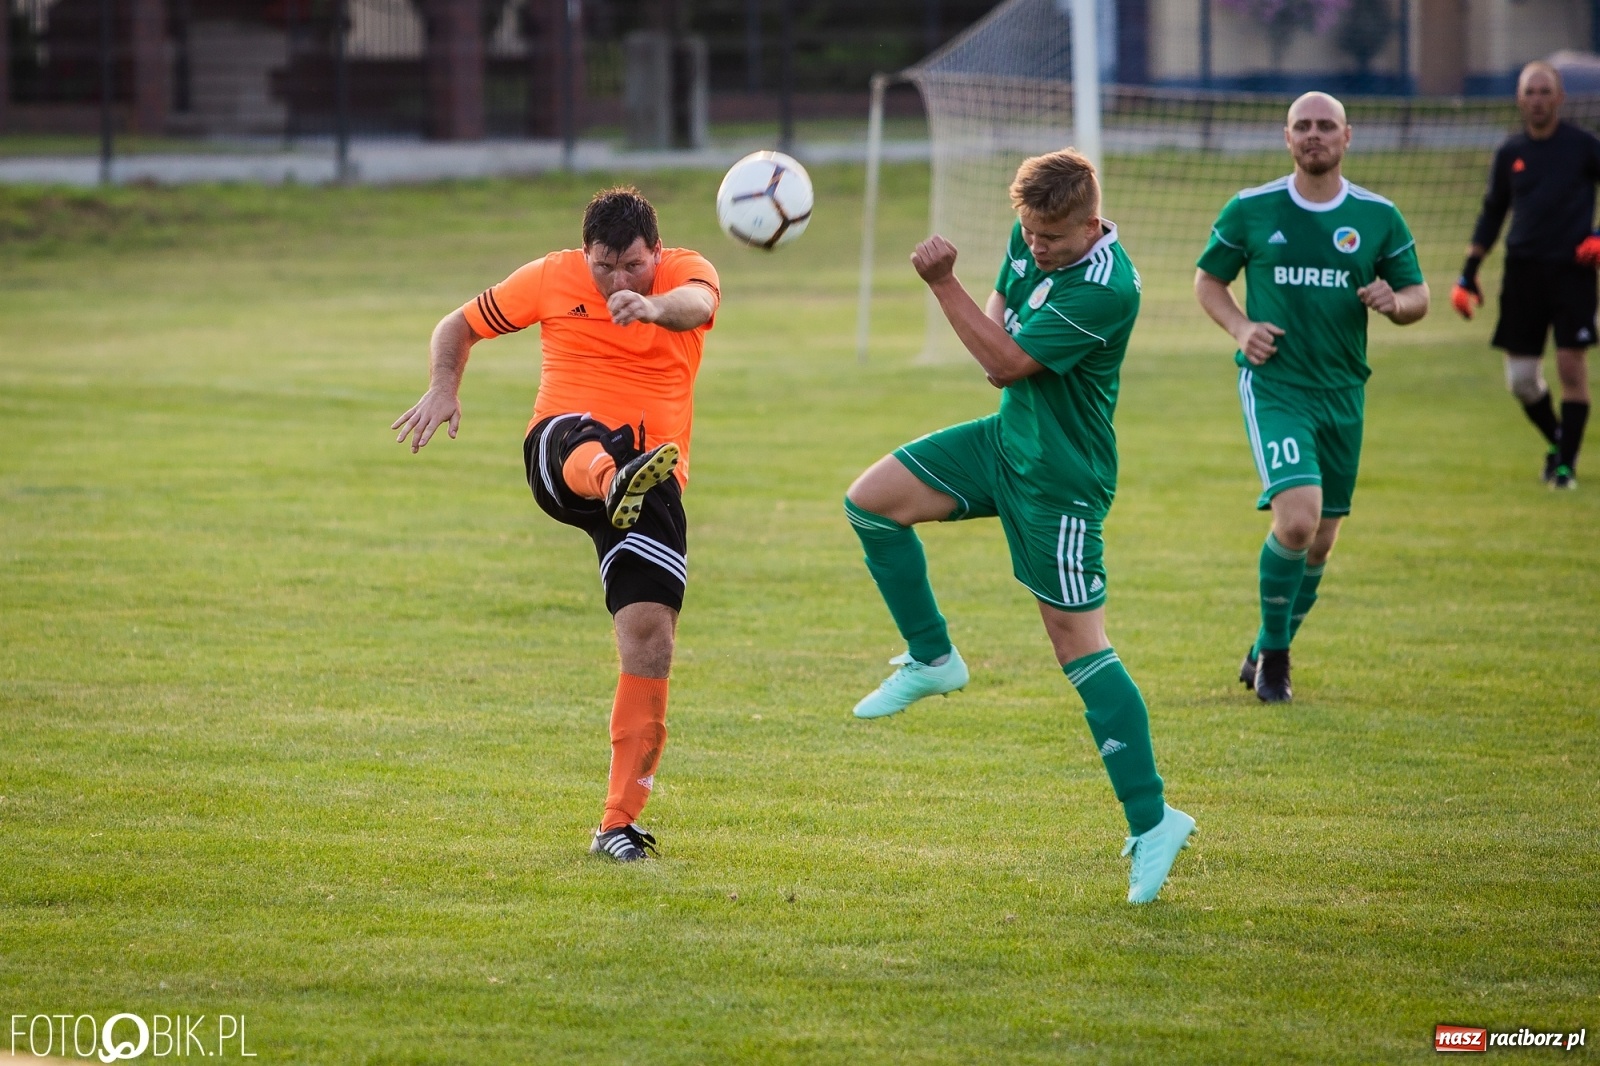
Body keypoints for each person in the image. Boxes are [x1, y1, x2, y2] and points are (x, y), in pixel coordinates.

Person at [844, 148, 1195, 905]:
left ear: (1092, 222)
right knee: (870, 502)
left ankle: (1154, 818)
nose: (1038, 247)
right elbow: (1000, 322)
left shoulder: (1110, 289)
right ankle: (933, 658)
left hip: (1062, 481)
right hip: (1008, 442)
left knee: (1078, 645)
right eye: (1031, 233)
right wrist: (989, 319)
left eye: (1054, 239)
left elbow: (1001, 360)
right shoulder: (1031, 231)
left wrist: (944, 285)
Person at [392, 187, 719, 862]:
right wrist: (443, 384)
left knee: (650, 640)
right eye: (604, 266)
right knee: (582, 433)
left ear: (655, 252)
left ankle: (617, 825)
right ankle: (609, 479)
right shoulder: (550, 276)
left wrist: (653, 307)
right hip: (562, 458)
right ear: (585, 254)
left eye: (632, 265)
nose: (616, 280)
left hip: (654, 474)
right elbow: (459, 323)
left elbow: (700, 305)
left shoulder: (687, 271)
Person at [1195, 92, 1430, 703]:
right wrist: (1242, 329)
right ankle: (1276, 659)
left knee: (1321, 540)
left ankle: (1262, 643)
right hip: (1276, 387)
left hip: (1344, 391)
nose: (1314, 135)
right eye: (1303, 126)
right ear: (1287, 137)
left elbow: (1418, 296)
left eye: (1327, 126)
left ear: (1347, 137)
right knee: (1296, 522)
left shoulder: (1378, 216)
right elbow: (1209, 280)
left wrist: (1395, 304)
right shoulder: (1251, 209)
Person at [1453, 60, 1599, 491]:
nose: (1537, 100)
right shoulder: (1510, 153)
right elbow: (1493, 213)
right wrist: (1468, 274)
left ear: (1559, 98)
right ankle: (1559, 440)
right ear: (1520, 100)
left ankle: (1566, 468)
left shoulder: (1583, 146)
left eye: (1544, 91)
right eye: (1529, 92)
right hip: (1522, 273)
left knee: (1572, 368)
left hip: (1573, 273)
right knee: (1520, 380)